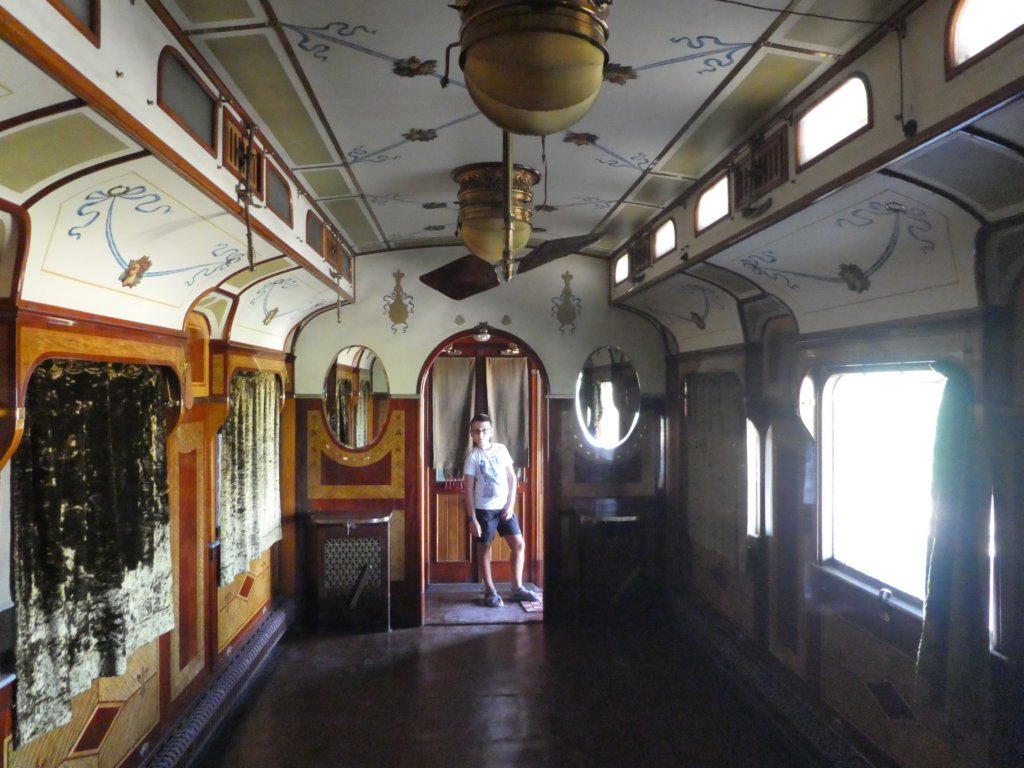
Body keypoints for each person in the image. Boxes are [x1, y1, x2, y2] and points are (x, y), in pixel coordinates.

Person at [463, 413, 539, 607]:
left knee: (519, 544)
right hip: (484, 511)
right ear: (471, 433)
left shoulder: (501, 449)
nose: (481, 435)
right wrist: (472, 519)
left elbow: (512, 479)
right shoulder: (472, 457)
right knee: (484, 549)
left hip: (505, 508)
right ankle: (490, 591)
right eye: (476, 431)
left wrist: (510, 504)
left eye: (484, 431)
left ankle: (517, 588)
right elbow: (468, 490)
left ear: (491, 432)